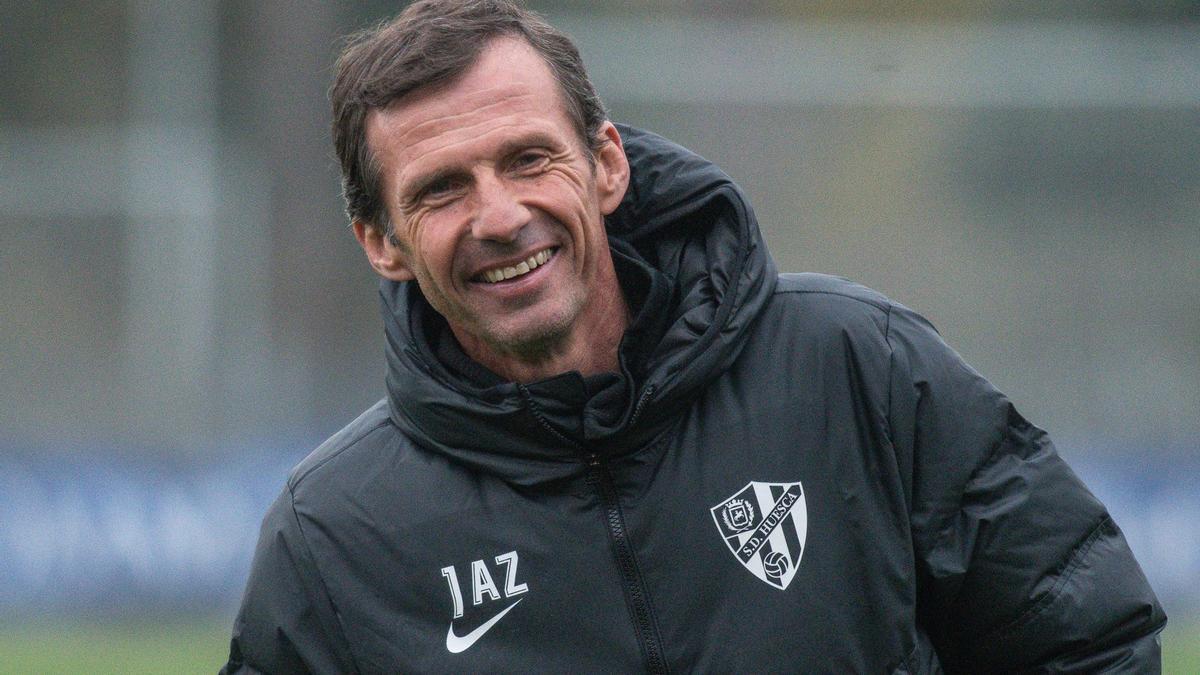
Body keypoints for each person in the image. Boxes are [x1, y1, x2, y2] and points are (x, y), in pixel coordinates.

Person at [222, 1, 1166, 672]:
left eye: (528, 158)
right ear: (381, 242)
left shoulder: (855, 367)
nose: (501, 215)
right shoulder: (333, 541)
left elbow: (1084, 638)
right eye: (441, 189)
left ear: (605, 164)